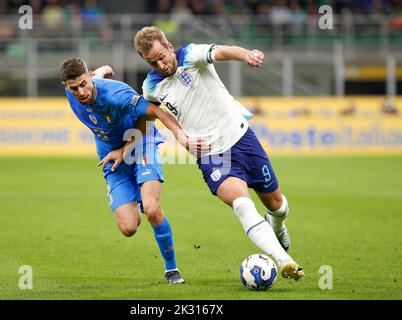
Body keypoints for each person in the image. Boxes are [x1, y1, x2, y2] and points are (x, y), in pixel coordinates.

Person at [127, 26, 305, 280]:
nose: (161, 65)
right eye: (152, 62)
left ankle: (278, 224)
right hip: (211, 154)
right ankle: (285, 261)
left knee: (277, 205)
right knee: (242, 205)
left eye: (162, 56)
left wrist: (246, 55)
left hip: (242, 138)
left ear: (169, 46)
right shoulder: (151, 86)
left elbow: (222, 51)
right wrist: (180, 135)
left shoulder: (191, 54)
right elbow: (156, 113)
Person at [60, 58, 205, 284]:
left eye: (84, 84)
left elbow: (153, 112)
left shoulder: (117, 94)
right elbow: (90, 79)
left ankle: (171, 269)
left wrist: (181, 137)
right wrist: (102, 70)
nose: (81, 92)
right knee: (128, 227)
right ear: (66, 87)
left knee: (152, 209)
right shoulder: (75, 90)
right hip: (111, 158)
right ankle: (136, 194)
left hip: (140, 143)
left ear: (89, 76)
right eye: (74, 88)